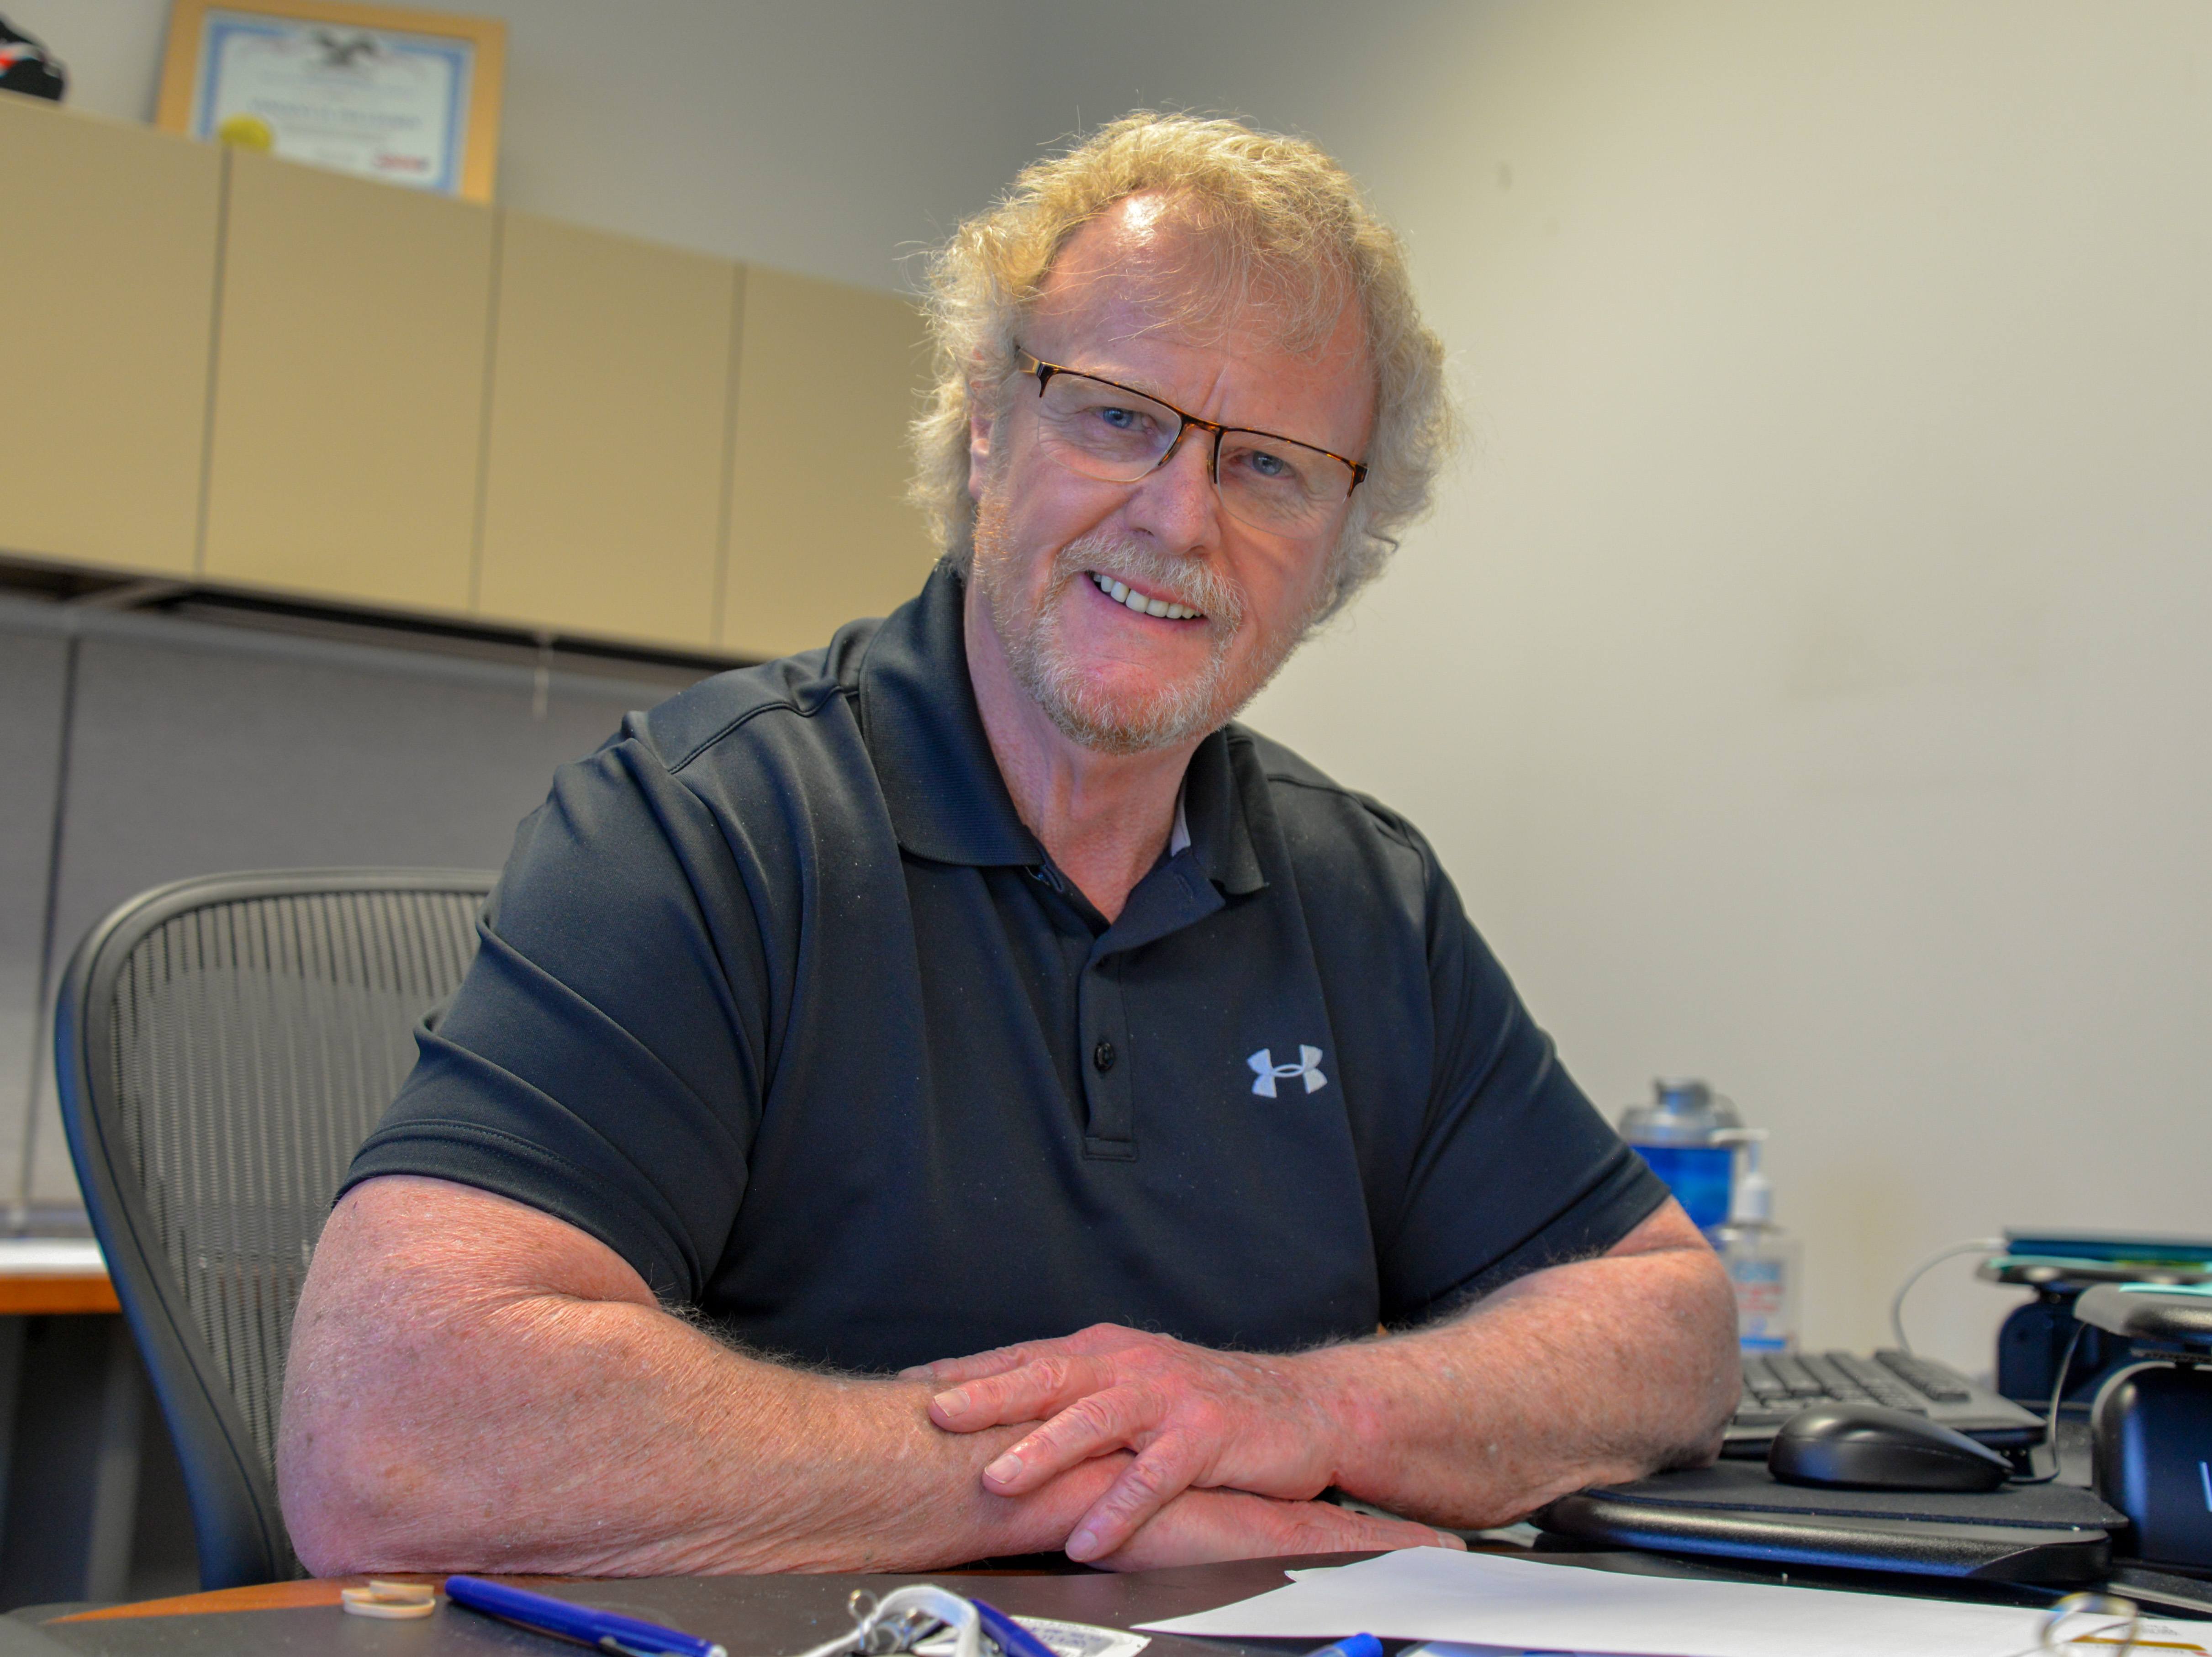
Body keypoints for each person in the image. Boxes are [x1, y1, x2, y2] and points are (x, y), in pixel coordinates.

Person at [278, 112, 1739, 1578]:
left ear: (1344, 546)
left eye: (1272, 468)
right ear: (986, 424)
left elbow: (1666, 1327)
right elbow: (395, 1428)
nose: (1178, 516)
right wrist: (1085, 1481)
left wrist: (1293, 1407)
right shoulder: (705, 823)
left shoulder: (1359, 891)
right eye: (1115, 414)